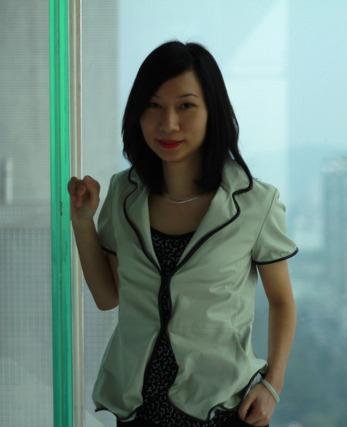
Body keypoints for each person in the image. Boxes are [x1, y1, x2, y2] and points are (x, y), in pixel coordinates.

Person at [67, 41, 298, 427]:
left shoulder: (254, 202)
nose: (168, 123)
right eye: (153, 105)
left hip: (224, 409)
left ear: (212, 111)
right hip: (139, 410)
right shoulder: (124, 194)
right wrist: (82, 221)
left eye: (186, 106)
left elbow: (282, 302)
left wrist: (272, 385)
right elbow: (107, 296)